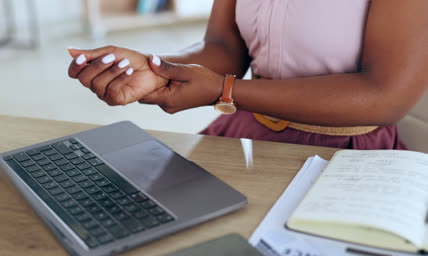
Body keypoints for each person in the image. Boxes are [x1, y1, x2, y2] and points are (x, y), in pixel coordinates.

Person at [67, 0, 428, 150]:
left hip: (344, 149)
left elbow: (386, 96)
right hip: (246, 132)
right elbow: (225, 47)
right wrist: (157, 68)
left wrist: (225, 91)